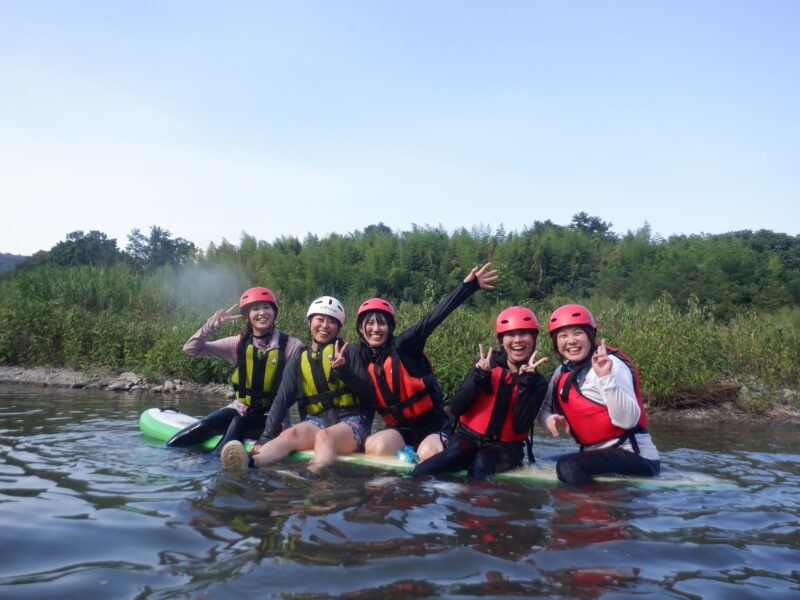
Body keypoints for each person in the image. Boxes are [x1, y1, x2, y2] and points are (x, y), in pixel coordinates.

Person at [338, 263, 498, 463]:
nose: (375, 329)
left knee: (428, 454)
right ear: (361, 329)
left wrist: (468, 287)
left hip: (433, 427)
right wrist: (342, 370)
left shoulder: (405, 345)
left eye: (382, 322)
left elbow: (433, 318)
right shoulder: (361, 357)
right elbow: (362, 391)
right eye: (369, 323)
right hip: (399, 431)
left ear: (390, 326)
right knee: (374, 446)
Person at [220, 296, 372, 471]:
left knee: (325, 437)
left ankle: (315, 477)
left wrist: (344, 372)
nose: (324, 326)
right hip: (316, 421)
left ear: (338, 327)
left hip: (352, 421)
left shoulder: (349, 352)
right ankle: (248, 463)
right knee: (289, 433)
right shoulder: (298, 361)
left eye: (331, 321)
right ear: (309, 323)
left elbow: (367, 393)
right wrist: (266, 437)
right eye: (320, 320)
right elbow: (282, 399)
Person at [411, 306, 548, 479]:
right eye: (510, 334)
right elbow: (456, 408)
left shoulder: (538, 382)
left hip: (506, 448)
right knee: (454, 455)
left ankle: (473, 502)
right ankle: (407, 484)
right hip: (467, 438)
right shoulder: (485, 364)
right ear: (501, 340)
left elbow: (520, 426)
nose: (517, 340)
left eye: (524, 333)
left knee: (481, 464)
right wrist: (478, 378)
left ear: (534, 337)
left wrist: (526, 386)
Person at [166, 287, 303, 450]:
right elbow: (191, 349)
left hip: (273, 417)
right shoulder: (237, 343)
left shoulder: (293, 346)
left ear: (275, 312)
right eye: (255, 308)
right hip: (240, 408)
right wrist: (212, 326)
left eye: (267, 307)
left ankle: (214, 463)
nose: (262, 313)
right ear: (246, 316)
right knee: (204, 425)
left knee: (238, 423)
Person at [538, 304, 661, 485]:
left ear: (591, 335)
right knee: (546, 464)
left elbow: (627, 421)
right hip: (595, 453)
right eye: (563, 336)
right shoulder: (561, 371)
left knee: (568, 466)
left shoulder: (611, 365)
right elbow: (544, 409)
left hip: (635, 455)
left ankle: (591, 508)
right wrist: (549, 419)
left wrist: (606, 378)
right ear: (556, 342)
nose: (571, 341)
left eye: (578, 333)